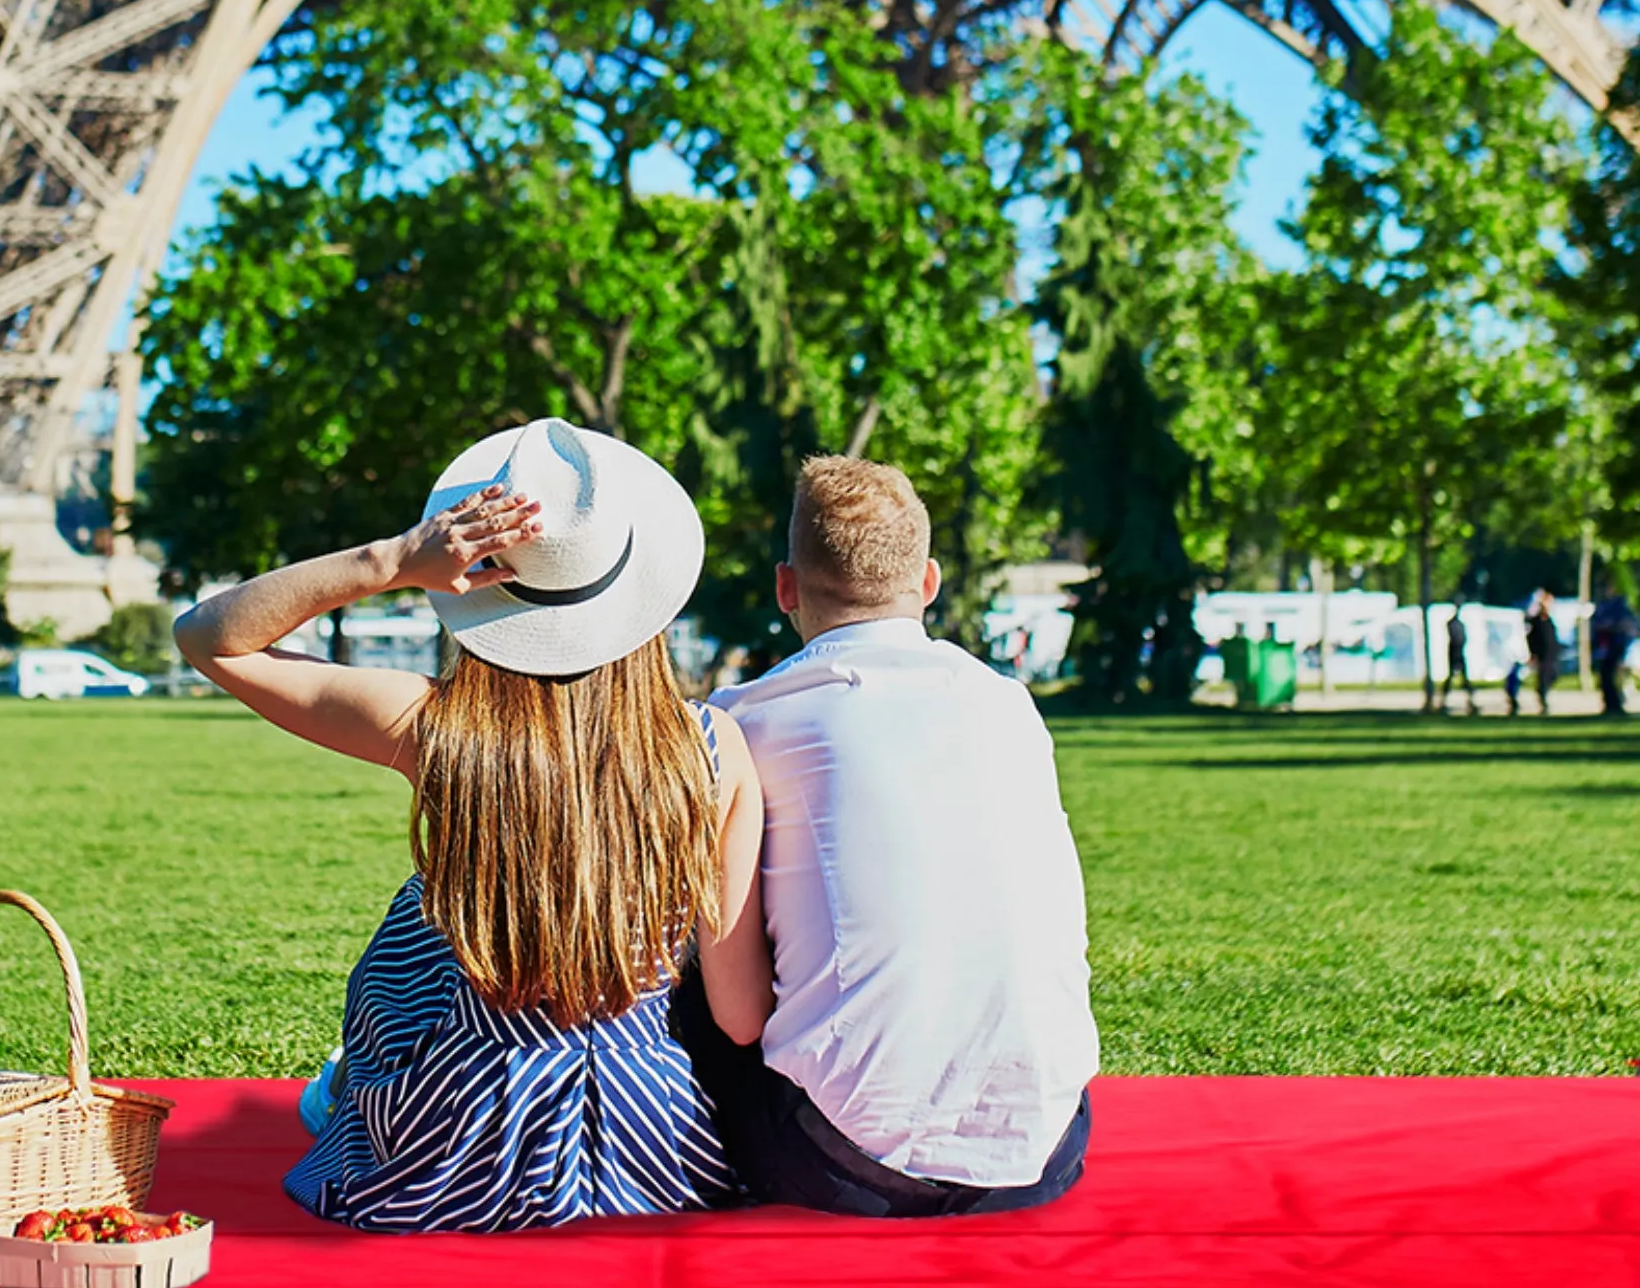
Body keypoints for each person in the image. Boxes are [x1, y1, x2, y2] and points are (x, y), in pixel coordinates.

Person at [172, 416, 770, 1232]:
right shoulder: (712, 747)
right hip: (652, 1141)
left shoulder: (435, 727)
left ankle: (354, 1087)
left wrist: (390, 561)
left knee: (421, 910)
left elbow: (211, 639)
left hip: (453, 1141)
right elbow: (739, 1015)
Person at [673, 455, 1097, 1217]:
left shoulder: (745, 722)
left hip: (838, 1162)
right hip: (1044, 1148)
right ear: (928, 582)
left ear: (785, 589)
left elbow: (737, 1018)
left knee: (683, 952)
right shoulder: (1008, 707)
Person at [1590, 594, 1634, 717]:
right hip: (1606, 649)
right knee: (1606, 676)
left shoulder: (1617, 609)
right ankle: (1610, 703)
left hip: (1614, 647)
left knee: (1614, 676)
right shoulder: (1604, 608)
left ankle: (1616, 702)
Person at [1524, 589, 1559, 715]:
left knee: (1553, 675)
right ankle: (1543, 700)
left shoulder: (1549, 620)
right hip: (1542, 654)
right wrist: (1533, 653)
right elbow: (1531, 638)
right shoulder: (1536, 621)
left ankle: (1543, 694)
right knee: (1543, 678)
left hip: (1551, 655)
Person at [1441, 607, 1478, 715]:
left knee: (1460, 678)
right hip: (1455, 652)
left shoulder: (1457, 624)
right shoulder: (1454, 624)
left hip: (1457, 652)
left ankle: (1470, 699)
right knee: (1456, 678)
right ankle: (1445, 700)